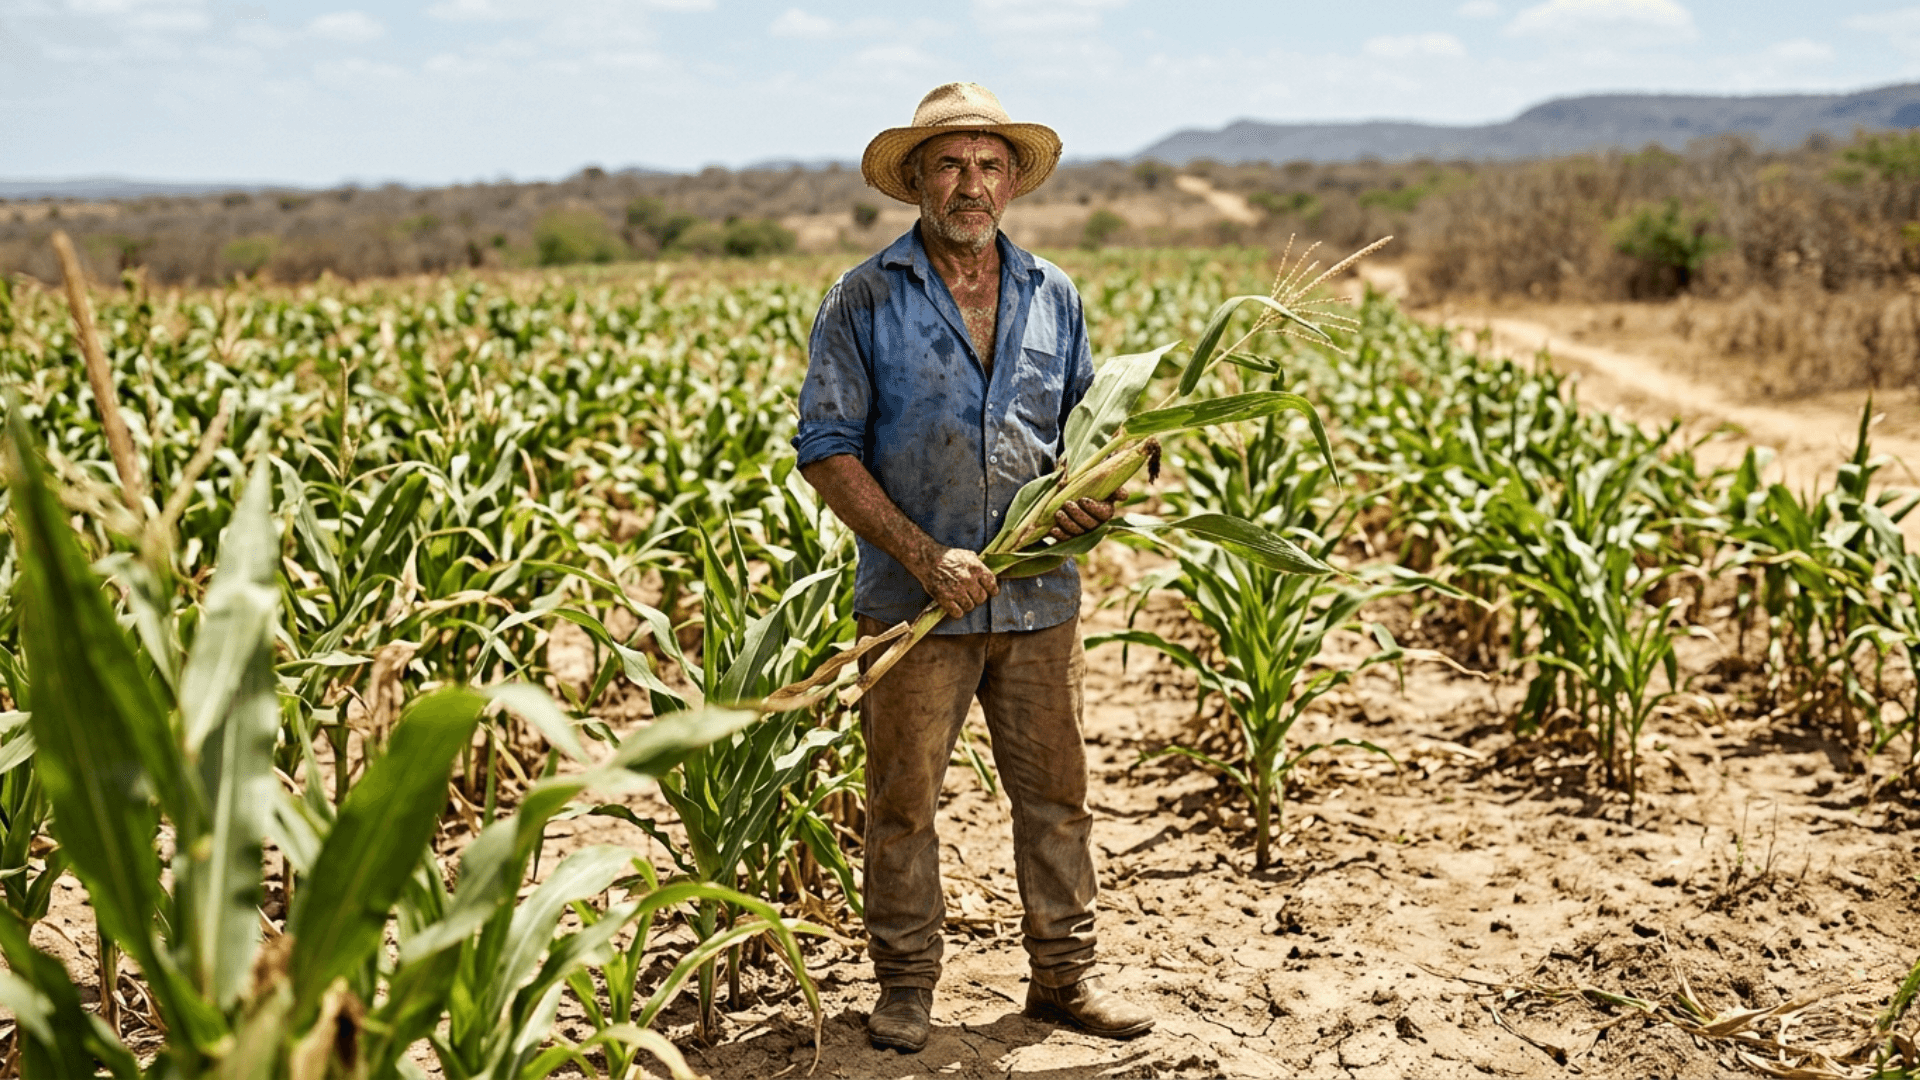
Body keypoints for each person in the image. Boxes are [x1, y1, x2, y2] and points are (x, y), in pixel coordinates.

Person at [791, 82, 1154, 1054]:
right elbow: (827, 447)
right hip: (914, 604)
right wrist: (923, 554)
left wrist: (1100, 493)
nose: (971, 184)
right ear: (916, 178)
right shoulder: (864, 298)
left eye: (990, 165)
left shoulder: (1053, 295)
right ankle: (906, 988)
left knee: (1056, 795)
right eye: (950, 164)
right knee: (903, 802)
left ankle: (1065, 981)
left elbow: (1104, 433)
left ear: (1014, 181)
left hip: (1038, 598)